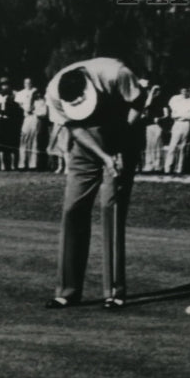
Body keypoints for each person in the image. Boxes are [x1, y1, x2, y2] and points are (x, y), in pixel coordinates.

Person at [44, 57, 144, 309]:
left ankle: (114, 292)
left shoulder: (116, 73)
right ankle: (67, 291)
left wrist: (119, 146)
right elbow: (73, 127)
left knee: (110, 209)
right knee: (72, 209)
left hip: (123, 134)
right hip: (85, 145)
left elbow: (137, 103)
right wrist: (103, 157)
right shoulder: (54, 91)